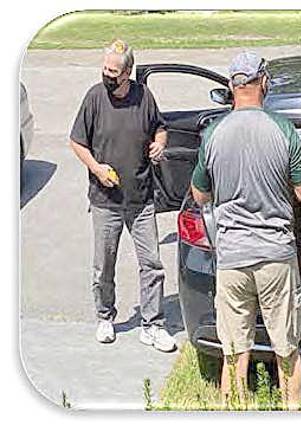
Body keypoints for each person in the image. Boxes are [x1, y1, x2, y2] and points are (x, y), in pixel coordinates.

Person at [190, 51, 301, 409]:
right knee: (287, 349)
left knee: (233, 352)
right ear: (263, 82)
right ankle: (290, 412)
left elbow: (199, 194)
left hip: (232, 257)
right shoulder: (282, 129)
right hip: (275, 256)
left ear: (233, 86)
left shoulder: (214, 134)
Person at [70, 40, 176, 352]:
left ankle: (153, 325)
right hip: (106, 200)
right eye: (104, 69)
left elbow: (160, 127)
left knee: (152, 264)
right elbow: (76, 142)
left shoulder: (144, 97)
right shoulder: (94, 98)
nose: (106, 75)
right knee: (104, 264)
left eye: (113, 71)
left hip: (141, 198)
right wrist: (96, 168)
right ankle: (105, 317)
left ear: (127, 72)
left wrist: (160, 143)